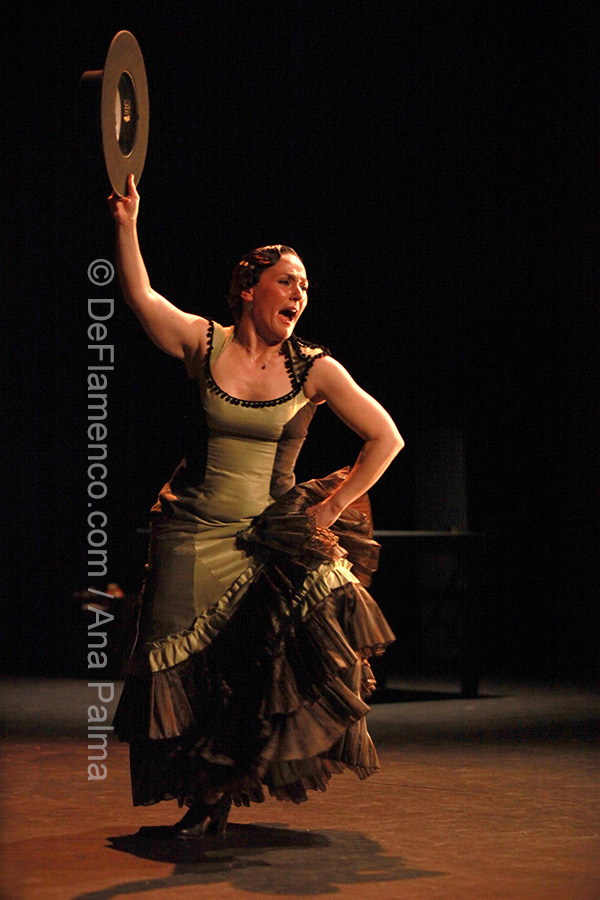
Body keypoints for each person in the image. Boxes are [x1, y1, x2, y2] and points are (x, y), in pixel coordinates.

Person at [108, 174, 404, 839]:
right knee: (174, 665)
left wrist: (331, 509)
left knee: (257, 668)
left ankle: (213, 795)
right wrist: (127, 224)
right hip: (190, 533)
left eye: (305, 286)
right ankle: (198, 787)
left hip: (265, 539)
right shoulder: (203, 343)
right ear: (250, 288)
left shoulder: (312, 368)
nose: (299, 294)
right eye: (287, 282)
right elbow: (141, 296)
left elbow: (386, 438)